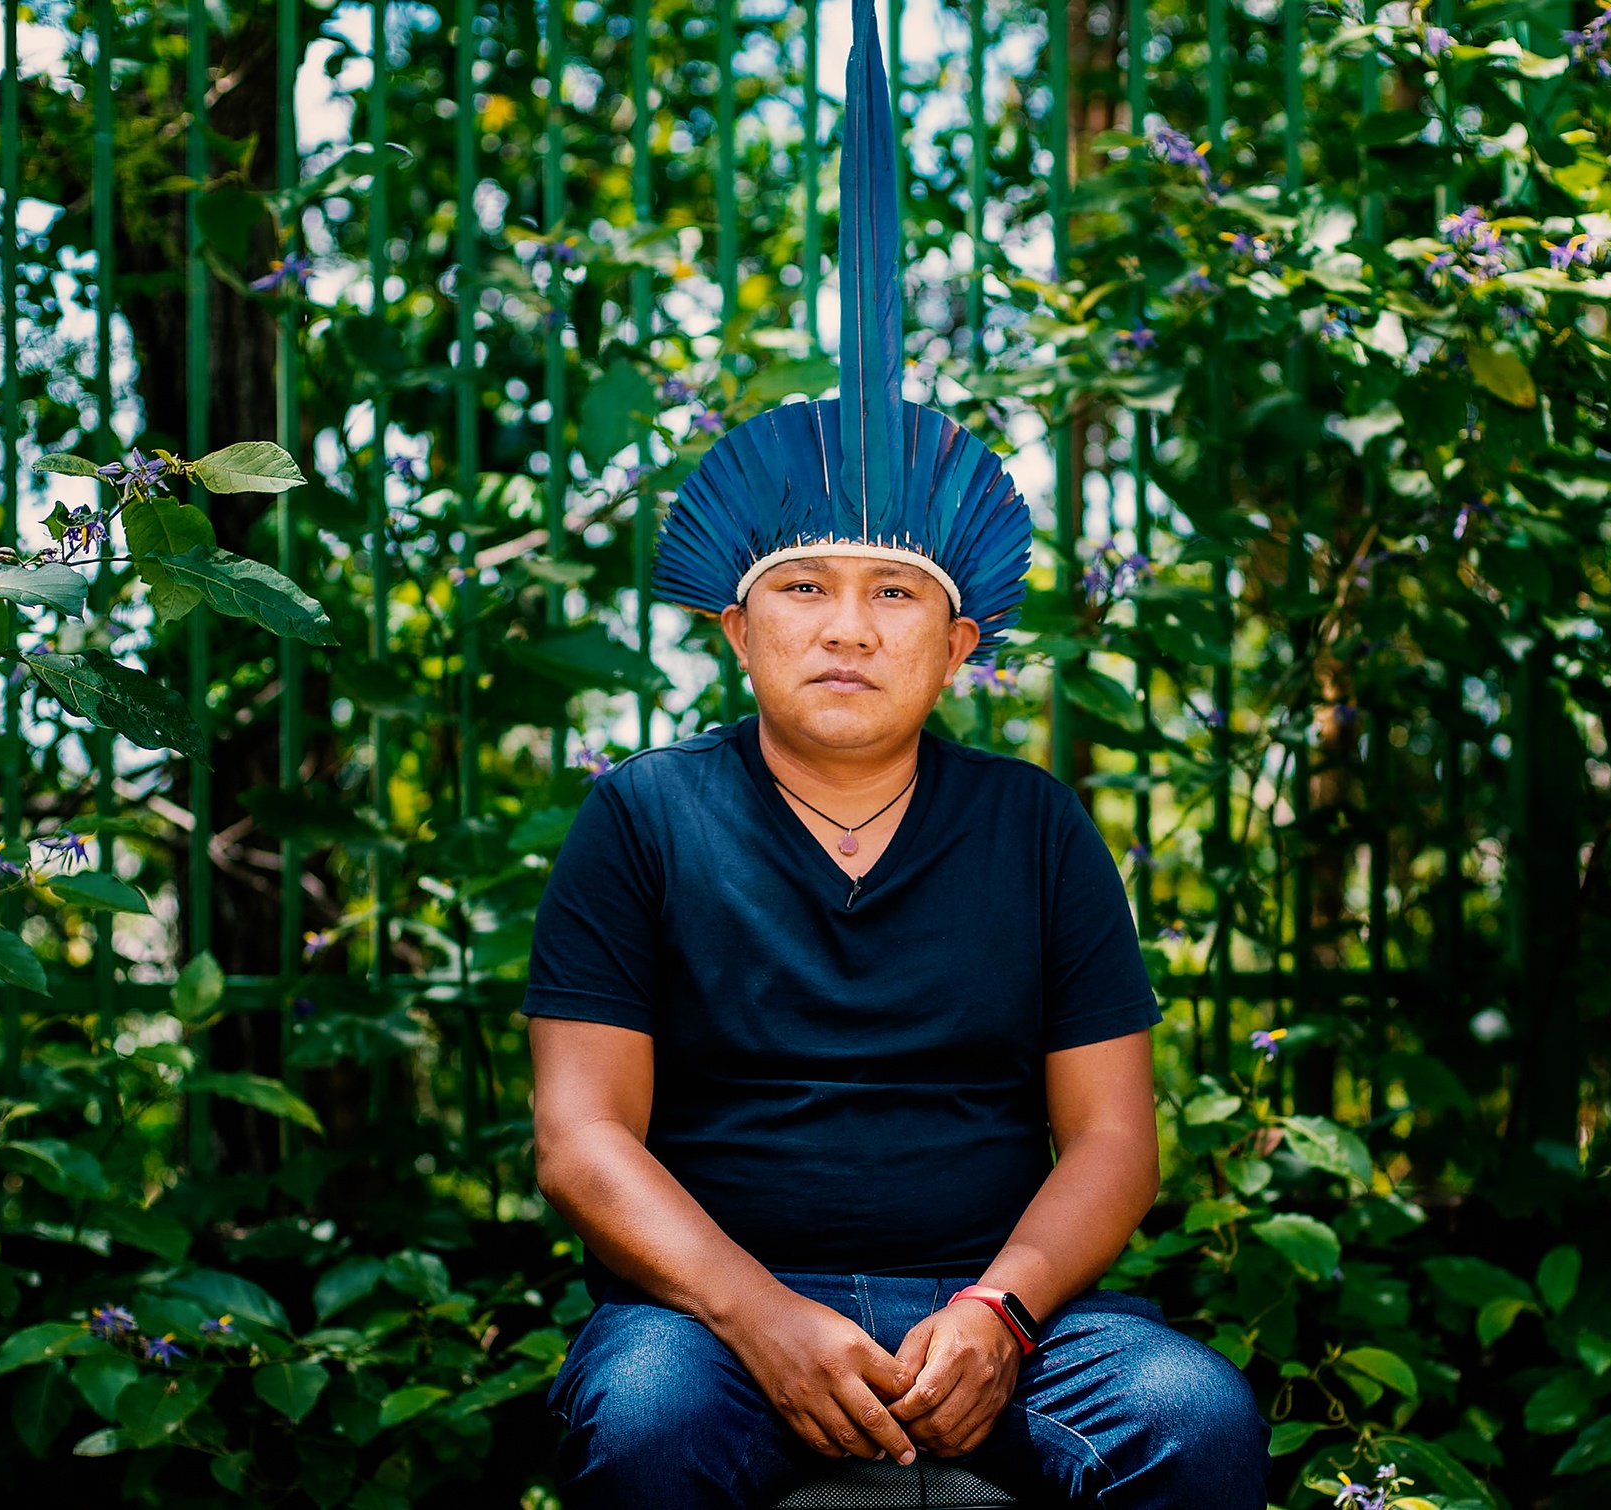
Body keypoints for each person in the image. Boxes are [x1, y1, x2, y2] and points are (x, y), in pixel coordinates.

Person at [523, 3, 1269, 1504]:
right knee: (646, 1426)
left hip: (1005, 1315)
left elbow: (1113, 1137)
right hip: (715, 1316)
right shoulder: (644, 821)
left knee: (1193, 1419)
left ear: (962, 641)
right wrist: (762, 1314)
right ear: (737, 631)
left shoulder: (1036, 827)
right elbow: (582, 1140)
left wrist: (1001, 1312)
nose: (846, 630)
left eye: (896, 595)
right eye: (802, 588)